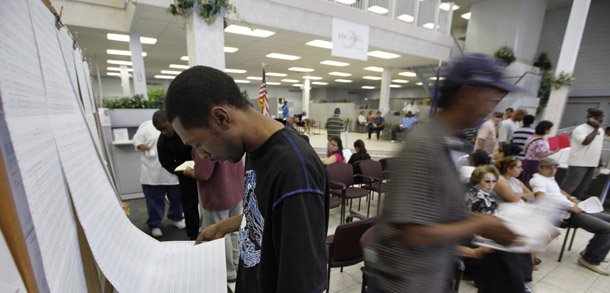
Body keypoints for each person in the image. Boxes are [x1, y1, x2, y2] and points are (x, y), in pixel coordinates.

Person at [164, 65, 329, 292]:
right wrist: (225, 225)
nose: (201, 155)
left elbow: (305, 281)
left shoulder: (294, 170)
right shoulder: (255, 147)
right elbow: (268, 212)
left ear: (221, 117)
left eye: (198, 143)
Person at [367, 53, 521, 292]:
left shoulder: (453, 142)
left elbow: (439, 210)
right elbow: (412, 234)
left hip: (431, 274)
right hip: (405, 282)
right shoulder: (424, 145)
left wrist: (481, 221)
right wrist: (478, 225)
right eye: (491, 98)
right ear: (467, 94)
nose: (493, 108)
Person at [530, 157, 610, 275]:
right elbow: (541, 198)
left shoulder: (549, 178)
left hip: (575, 208)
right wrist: (568, 207)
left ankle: (592, 251)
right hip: (567, 214)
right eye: (549, 168)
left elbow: (558, 191)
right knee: (607, 228)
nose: (553, 170)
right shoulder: (538, 181)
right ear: (540, 168)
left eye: (555, 168)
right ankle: (590, 259)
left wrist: (572, 198)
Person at [463, 165, 533, 293]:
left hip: (486, 230)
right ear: (478, 181)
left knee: (516, 243)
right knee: (508, 249)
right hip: (476, 234)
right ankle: (517, 283)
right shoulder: (477, 197)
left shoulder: (483, 193)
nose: (491, 185)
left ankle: (517, 282)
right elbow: (471, 221)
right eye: (487, 181)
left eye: (494, 181)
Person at [184, 150, 244, 282]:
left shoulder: (201, 141)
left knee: (218, 234)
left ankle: (228, 272)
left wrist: (189, 171)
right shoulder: (230, 134)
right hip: (236, 190)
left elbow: (204, 174)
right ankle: (236, 265)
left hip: (217, 194)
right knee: (234, 232)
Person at [153, 110, 201, 240]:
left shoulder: (187, 128)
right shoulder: (163, 141)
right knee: (190, 205)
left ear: (171, 122)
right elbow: (166, 163)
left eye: (164, 128)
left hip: (203, 169)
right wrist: (180, 170)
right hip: (185, 174)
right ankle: (193, 235)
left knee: (211, 203)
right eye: (159, 130)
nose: (163, 132)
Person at [132, 120, 183, 238]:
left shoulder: (176, 124)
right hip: (152, 173)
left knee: (177, 199)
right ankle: (155, 224)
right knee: (154, 201)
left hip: (172, 173)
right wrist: (141, 146)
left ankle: (177, 218)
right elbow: (136, 141)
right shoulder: (146, 126)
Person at [561, 109, 605, 200]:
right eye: (599, 119)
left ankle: (576, 209)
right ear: (592, 119)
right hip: (579, 163)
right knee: (570, 187)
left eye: (601, 119)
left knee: (582, 189)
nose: (600, 121)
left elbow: (598, 146)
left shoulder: (601, 130)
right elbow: (586, 142)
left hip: (592, 163)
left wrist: (599, 160)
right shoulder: (580, 129)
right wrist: (596, 129)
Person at [521, 120, 559, 186]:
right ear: (546, 130)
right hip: (535, 163)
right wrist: (552, 152)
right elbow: (539, 155)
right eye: (550, 129)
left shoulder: (531, 138)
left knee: (526, 179)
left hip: (527, 160)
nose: (551, 130)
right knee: (533, 181)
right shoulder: (540, 141)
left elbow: (524, 149)